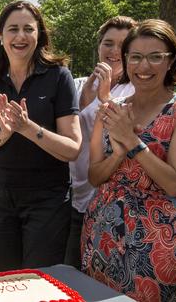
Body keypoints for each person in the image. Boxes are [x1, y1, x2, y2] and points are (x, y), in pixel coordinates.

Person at [82, 19, 176, 301]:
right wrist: (117, 154)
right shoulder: (112, 110)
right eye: (136, 57)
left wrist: (131, 142)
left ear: (171, 60)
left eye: (155, 57)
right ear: (126, 61)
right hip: (102, 233)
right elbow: (94, 176)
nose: (144, 66)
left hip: (157, 241)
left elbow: (175, 185)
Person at [0, 0, 81, 272]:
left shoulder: (58, 77)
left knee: (38, 281)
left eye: (28, 29)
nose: (20, 36)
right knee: (5, 281)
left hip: (48, 200)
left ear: (39, 34)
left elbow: (72, 148)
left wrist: (28, 128)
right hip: (0, 198)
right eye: (13, 29)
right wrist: (3, 133)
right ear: (0, 36)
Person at [63, 16, 137, 268]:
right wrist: (86, 99)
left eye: (123, 45)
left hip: (105, 196)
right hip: (69, 191)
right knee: (65, 269)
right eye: (108, 43)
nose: (114, 51)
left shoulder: (134, 90)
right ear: (98, 47)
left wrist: (104, 98)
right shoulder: (77, 83)